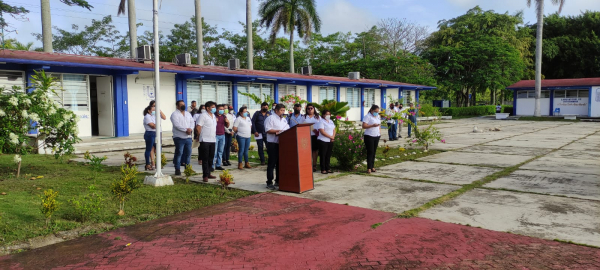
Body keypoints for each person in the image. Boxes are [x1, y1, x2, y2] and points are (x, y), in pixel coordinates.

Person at [264, 104, 290, 190]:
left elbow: (288, 129)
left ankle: (278, 181)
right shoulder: (270, 118)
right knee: (272, 163)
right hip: (272, 144)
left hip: (282, 143)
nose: (283, 112)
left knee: (280, 163)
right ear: (276, 110)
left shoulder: (284, 120)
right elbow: (267, 129)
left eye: (284, 110)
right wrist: (278, 131)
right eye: (281, 110)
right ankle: (269, 182)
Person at [170, 100, 195, 176]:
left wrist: (190, 129)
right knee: (179, 153)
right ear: (177, 106)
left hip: (188, 137)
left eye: (183, 104)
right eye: (181, 104)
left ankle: (187, 168)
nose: (183, 105)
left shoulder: (188, 114)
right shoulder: (174, 114)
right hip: (179, 137)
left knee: (188, 153)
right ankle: (177, 169)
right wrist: (186, 130)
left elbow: (192, 122)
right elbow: (177, 125)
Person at [196, 101, 218, 182]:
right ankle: (205, 175)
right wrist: (199, 136)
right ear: (208, 108)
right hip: (205, 139)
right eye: (212, 107)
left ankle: (209, 173)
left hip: (213, 139)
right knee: (205, 158)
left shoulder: (213, 116)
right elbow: (198, 127)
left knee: (211, 157)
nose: (214, 109)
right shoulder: (203, 116)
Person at [362, 105, 381, 174]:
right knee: (370, 152)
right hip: (369, 136)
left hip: (376, 135)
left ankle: (372, 166)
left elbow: (379, 125)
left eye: (377, 111)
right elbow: (364, 126)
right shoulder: (368, 116)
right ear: (372, 110)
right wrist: (372, 125)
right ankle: (369, 167)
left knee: (374, 152)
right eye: (375, 111)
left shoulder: (378, 116)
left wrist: (379, 132)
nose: (376, 113)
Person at [302, 103, 320, 172]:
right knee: (306, 151)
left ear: (314, 109)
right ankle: (307, 165)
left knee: (314, 151)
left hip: (315, 135)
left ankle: (314, 164)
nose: (310, 110)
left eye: (311, 108)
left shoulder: (317, 116)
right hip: (306, 136)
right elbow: (300, 125)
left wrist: (317, 130)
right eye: (308, 108)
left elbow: (321, 125)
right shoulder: (304, 117)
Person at [317, 109, 336, 174]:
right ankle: (323, 169)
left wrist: (333, 137)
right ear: (323, 115)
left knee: (328, 155)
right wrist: (330, 137)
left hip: (330, 140)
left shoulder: (331, 121)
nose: (328, 115)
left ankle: (328, 168)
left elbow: (334, 129)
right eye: (326, 114)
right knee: (323, 155)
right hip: (323, 140)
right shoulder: (321, 121)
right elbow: (322, 131)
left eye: (329, 114)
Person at [213, 104, 229, 171]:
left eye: (223, 109)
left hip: (222, 135)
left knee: (220, 151)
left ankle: (218, 165)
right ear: (217, 110)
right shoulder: (213, 116)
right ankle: (212, 165)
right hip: (215, 135)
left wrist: (227, 122)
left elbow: (227, 126)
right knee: (215, 152)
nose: (222, 110)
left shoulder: (224, 116)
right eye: (220, 109)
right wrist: (214, 121)